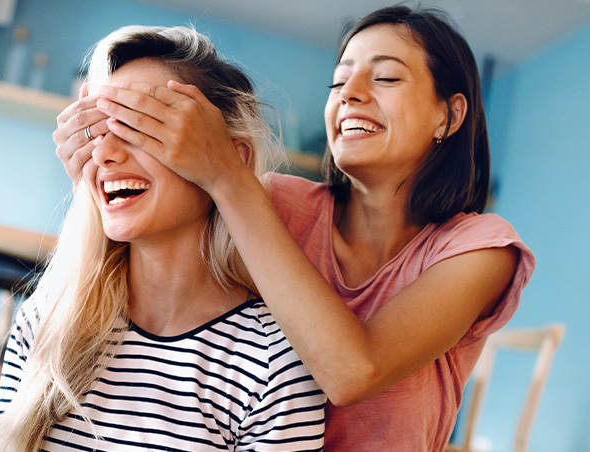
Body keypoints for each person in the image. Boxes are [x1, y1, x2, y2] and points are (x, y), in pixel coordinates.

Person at [55, 5, 535, 451]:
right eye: (339, 82)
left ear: (448, 115)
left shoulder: (480, 249)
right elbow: (159, 243)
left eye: (386, 76)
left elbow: (351, 373)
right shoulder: (272, 202)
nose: (350, 94)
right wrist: (101, 166)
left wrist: (226, 174)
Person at [0, 25, 325, 452]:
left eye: (140, 124)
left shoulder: (274, 368)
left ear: (231, 160)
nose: (106, 154)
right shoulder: (46, 320)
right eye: (96, 128)